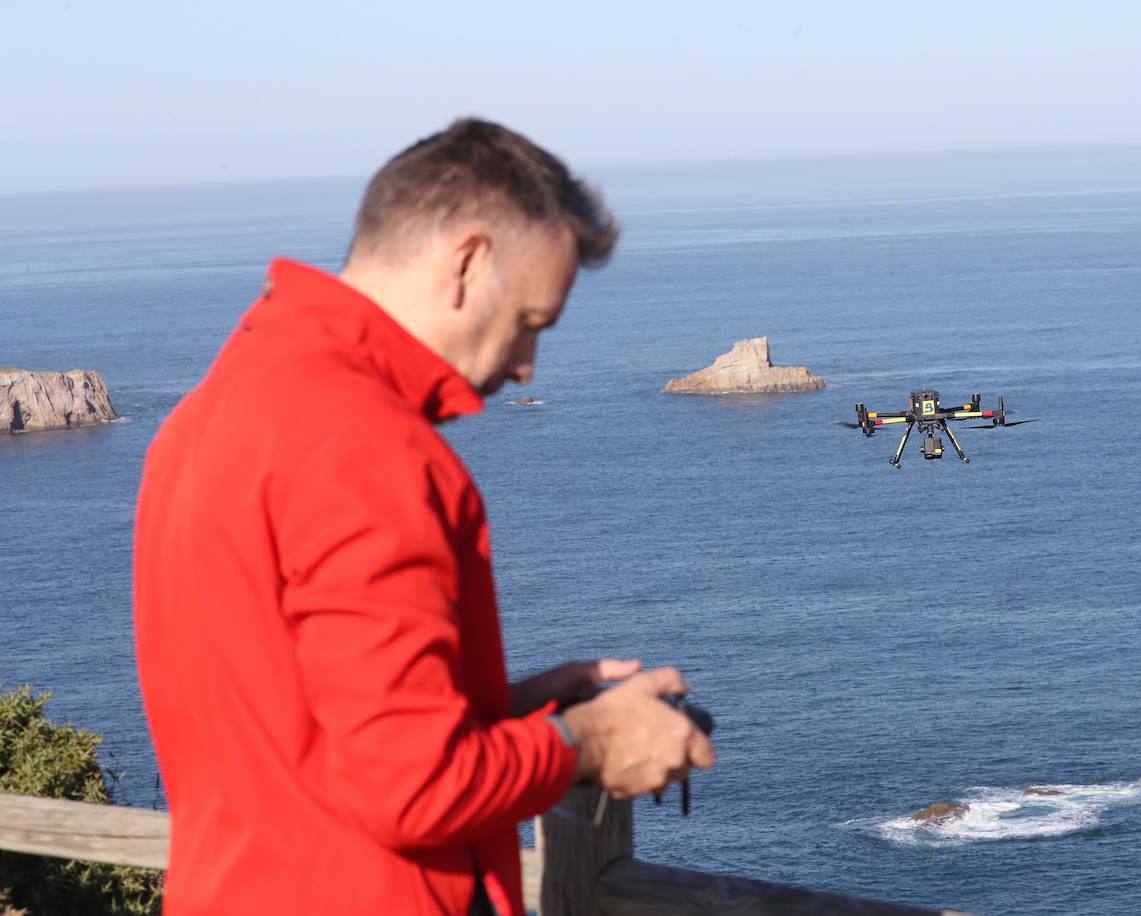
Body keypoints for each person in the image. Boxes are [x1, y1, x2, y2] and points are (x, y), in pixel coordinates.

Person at [133, 118, 715, 916]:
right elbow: (411, 786)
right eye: (529, 323)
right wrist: (594, 743)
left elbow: (306, 736)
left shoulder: (215, 411)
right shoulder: (365, 445)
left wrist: (522, 710)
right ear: (468, 262)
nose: (524, 366)